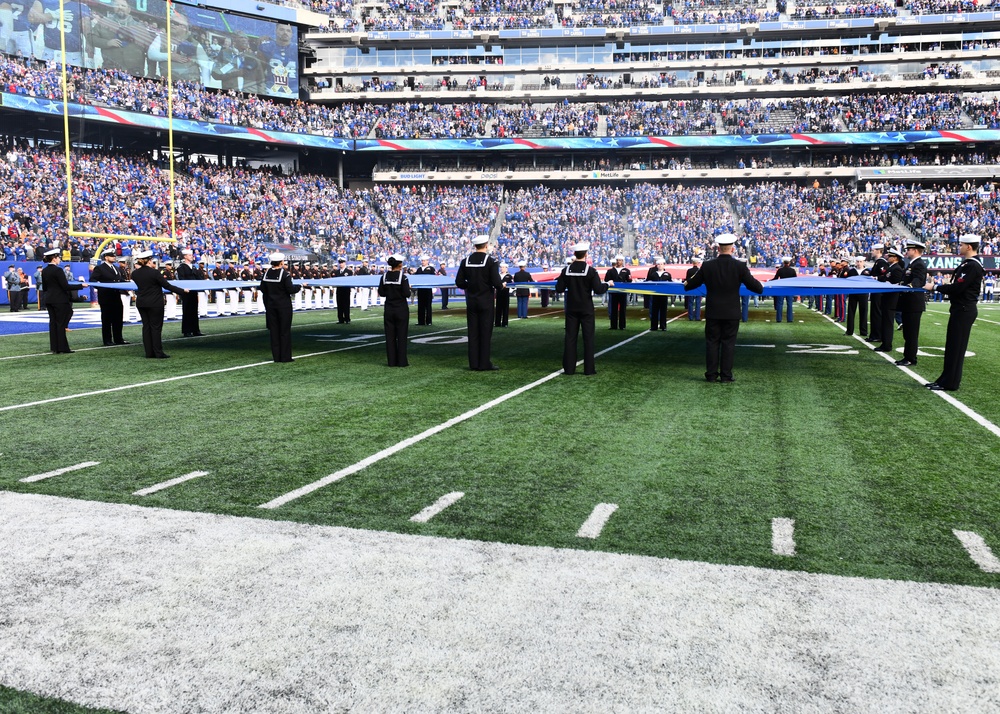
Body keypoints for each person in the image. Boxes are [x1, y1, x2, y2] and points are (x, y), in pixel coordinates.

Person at [683, 233, 764, 383]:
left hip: (713, 311)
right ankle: (726, 376)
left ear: (718, 248)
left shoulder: (707, 265)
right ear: (732, 248)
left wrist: (687, 283)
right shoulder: (740, 266)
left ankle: (711, 375)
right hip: (732, 312)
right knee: (728, 344)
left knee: (712, 343)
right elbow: (757, 287)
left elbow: (689, 285)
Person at [926, 234, 984, 392]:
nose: (959, 247)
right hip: (961, 308)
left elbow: (958, 288)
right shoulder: (968, 264)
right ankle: (945, 379)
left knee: (956, 347)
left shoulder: (972, 266)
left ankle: (950, 382)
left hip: (964, 309)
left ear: (969, 247)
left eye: (962, 245)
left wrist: (936, 287)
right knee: (952, 346)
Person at [555, 241, 612, 376]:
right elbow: (598, 289)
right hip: (586, 308)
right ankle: (589, 369)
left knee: (570, 338)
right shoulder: (591, 271)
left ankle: (569, 369)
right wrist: (608, 284)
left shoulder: (566, 270)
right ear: (586, 254)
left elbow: (559, 288)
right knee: (588, 338)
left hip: (571, 308)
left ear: (574, 254)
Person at [454, 234, 504, 371]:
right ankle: (484, 363)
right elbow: (496, 282)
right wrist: (501, 286)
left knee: (473, 332)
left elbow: (459, 282)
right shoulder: (491, 261)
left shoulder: (466, 261)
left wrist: (470, 287)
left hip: (471, 301)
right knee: (485, 332)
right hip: (486, 301)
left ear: (475, 246)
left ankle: (474, 363)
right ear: (486, 245)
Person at [131, 250, 187, 359]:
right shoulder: (155, 273)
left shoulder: (135, 273)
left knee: (146, 327)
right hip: (155, 303)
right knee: (156, 328)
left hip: (141, 302)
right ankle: (158, 352)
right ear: (149, 260)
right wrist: (182, 291)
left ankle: (149, 352)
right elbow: (167, 286)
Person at [259, 251, 303, 363]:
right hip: (283, 306)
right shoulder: (285, 274)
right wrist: (300, 286)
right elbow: (290, 289)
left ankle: (276, 357)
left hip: (271, 306)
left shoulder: (266, 274)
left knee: (274, 332)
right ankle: (285, 357)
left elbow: (263, 289)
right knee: (284, 331)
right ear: (281, 262)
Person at [90, 0, 150, 75]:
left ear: (129, 9)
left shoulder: (140, 27)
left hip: (135, 73)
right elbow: (91, 38)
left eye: (123, 6)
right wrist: (107, 43)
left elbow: (149, 50)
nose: (120, 7)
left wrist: (150, 74)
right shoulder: (104, 22)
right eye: (117, 5)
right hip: (110, 70)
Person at [40, 248, 81, 354]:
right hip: (59, 300)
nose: (59, 259)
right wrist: (81, 285)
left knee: (53, 323)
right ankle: (63, 347)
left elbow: (44, 287)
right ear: (54, 258)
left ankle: (55, 347)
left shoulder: (44, 271)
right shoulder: (58, 270)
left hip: (49, 299)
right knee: (61, 324)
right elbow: (65, 286)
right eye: (58, 257)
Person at [895, 240, 928, 367]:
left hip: (913, 303)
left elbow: (918, 281)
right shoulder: (912, 264)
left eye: (909, 249)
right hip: (908, 303)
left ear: (915, 250)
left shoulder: (919, 264)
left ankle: (910, 358)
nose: (907, 251)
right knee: (907, 333)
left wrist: (904, 287)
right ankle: (907, 356)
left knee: (911, 333)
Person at [90, 248, 130, 345]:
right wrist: (102, 288)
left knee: (118, 318)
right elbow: (93, 280)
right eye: (111, 256)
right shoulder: (100, 268)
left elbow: (119, 280)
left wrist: (128, 283)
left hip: (116, 296)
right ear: (106, 257)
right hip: (106, 297)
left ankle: (118, 338)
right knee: (107, 319)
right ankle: (107, 340)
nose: (114, 257)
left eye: (114, 255)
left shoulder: (116, 268)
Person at [377, 253, 411, 367]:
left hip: (389, 309)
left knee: (390, 336)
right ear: (400, 264)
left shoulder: (384, 276)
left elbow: (381, 293)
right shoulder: (403, 277)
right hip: (401, 308)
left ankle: (391, 361)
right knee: (401, 335)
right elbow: (407, 294)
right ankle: (402, 362)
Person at [874, 247, 905, 353]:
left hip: (891, 299)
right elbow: (884, 278)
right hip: (886, 298)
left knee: (888, 322)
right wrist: (878, 279)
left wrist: (887, 282)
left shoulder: (897, 269)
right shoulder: (891, 268)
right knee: (885, 322)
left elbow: (896, 283)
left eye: (890, 256)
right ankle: (884, 343)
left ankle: (887, 345)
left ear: (895, 258)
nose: (888, 257)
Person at [175, 249, 203, 337]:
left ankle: (195, 330)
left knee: (194, 310)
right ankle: (187, 330)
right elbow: (182, 279)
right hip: (186, 291)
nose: (192, 256)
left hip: (193, 291)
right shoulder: (181, 267)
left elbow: (198, 278)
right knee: (187, 310)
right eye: (190, 255)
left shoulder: (194, 267)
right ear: (185, 256)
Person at [866, 243, 889, 345]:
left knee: (877, 313)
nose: (872, 252)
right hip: (876, 290)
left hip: (879, 290)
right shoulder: (878, 262)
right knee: (874, 313)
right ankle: (874, 334)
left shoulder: (881, 262)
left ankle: (877, 335)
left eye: (873, 250)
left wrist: (875, 278)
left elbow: (885, 275)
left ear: (878, 251)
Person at [604, 254, 631, 329]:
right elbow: (606, 280)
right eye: (617, 260)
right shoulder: (610, 271)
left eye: (620, 260)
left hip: (623, 292)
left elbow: (629, 280)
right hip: (614, 292)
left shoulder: (626, 271)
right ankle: (613, 325)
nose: (618, 262)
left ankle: (622, 325)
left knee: (623, 309)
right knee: (613, 309)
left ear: (622, 261)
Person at [845, 256, 869, 337]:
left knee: (864, 312)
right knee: (851, 312)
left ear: (863, 262)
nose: (859, 263)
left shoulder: (867, 271)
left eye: (860, 261)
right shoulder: (852, 271)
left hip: (863, 293)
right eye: (858, 261)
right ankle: (849, 330)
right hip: (853, 293)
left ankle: (864, 331)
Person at [646, 257, 671, 331]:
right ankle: (654, 326)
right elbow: (648, 282)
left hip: (663, 295)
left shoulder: (667, 274)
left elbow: (670, 283)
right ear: (656, 265)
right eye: (658, 264)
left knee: (663, 310)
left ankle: (663, 326)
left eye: (661, 264)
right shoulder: (653, 274)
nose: (660, 265)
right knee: (654, 311)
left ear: (664, 265)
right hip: (655, 294)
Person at [772, 256, 797, 323]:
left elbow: (775, 278)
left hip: (781, 288)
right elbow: (795, 280)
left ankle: (779, 319)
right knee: (789, 304)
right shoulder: (792, 270)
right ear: (789, 263)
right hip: (789, 288)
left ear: (783, 263)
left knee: (780, 304)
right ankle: (789, 319)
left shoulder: (780, 270)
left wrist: (769, 281)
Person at [414, 254, 435, 326]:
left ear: (427, 261)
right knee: (420, 306)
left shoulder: (431, 269)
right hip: (420, 289)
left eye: (424, 261)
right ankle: (421, 321)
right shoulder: (419, 269)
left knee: (428, 306)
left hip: (428, 289)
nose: (422, 262)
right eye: (422, 261)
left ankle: (429, 321)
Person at [333, 258, 353, 323]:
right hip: (339, 290)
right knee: (339, 305)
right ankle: (340, 319)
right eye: (340, 263)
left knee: (346, 305)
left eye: (342, 263)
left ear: (345, 263)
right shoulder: (337, 272)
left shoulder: (349, 272)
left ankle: (347, 318)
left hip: (346, 290)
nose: (341, 264)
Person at [495, 262, 513, 327]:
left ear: (506, 268)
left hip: (505, 294)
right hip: (499, 293)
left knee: (505, 309)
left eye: (503, 267)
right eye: (501, 267)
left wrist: (507, 284)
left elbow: (512, 285)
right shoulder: (498, 275)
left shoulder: (509, 276)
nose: (501, 268)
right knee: (498, 308)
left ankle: (505, 323)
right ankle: (497, 323)